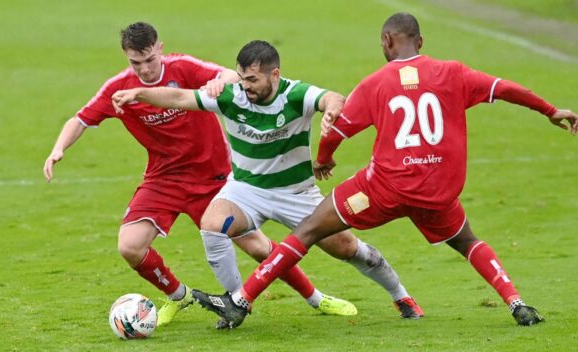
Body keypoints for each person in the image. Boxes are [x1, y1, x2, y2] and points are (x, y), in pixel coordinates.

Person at [189, 12, 578, 328]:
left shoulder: (377, 83)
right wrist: (550, 110)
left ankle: (240, 301)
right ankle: (516, 302)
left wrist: (324, 158)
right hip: (439, 193)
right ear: (421, 42)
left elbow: (338, 129)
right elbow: (507, 88)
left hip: (381, 190)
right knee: (468, 242)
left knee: (308, 230)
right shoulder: (455, 73)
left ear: (385, 43)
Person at [43, 22, 356, 329]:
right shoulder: (119, 88)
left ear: (160, 49)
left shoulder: (184, 67)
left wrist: (219, 82)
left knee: (260, 248)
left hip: (214, 179)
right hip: (163, 180)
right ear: (127, 58)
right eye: (136, 63)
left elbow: (232, 75)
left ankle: (316, 298)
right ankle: (178, 297)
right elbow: (81, 119)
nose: (145, 69)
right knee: (130, 246)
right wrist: (58, 149)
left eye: (150, 59)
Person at [112, 40, 423, 329]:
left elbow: (332, 97)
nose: (244, 86)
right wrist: (138, 94)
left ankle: (401, 295)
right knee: (212, 224)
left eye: (252, 80)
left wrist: (330, 110)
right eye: (241, 78)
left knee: (348, 249)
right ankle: (234, 301)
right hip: (246, 190)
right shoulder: (231, 96)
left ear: (275, 74)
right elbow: (180, 96)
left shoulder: (296, 95)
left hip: (296, 194)